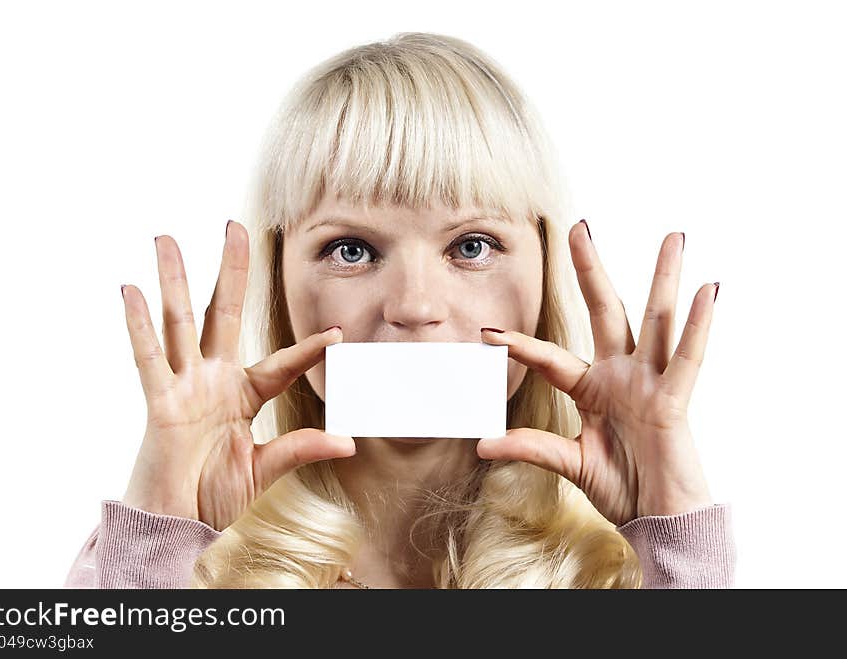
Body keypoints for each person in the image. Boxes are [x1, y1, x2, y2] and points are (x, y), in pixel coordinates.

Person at [65, 32, 735, 589]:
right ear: (278, 284)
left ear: (546, 274)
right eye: (351, 249)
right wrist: (160, 541)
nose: (414, 307)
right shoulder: (160, 568)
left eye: (472, 245)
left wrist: (674, 534)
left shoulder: (632, 573)